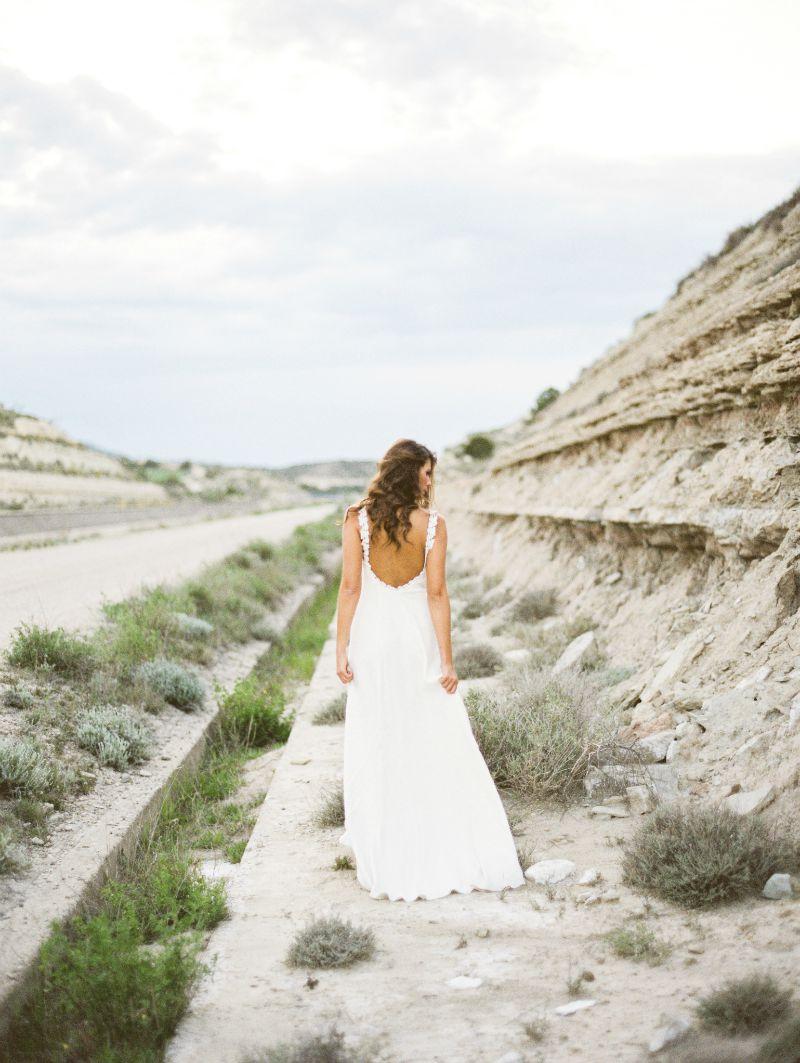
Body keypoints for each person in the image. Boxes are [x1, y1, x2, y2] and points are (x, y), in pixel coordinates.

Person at [334, 438, 526, 902]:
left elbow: (350, 588)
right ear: (408, 474)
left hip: (374, 640)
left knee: (379, 735)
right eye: (425, 473)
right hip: (417, 640)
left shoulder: (356, 519)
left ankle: (385, 842)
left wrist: (341, 648)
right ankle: (437, 834)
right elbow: (437, 594)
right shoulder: (434, 525)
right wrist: (447, 660)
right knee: (430, 733)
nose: (429, 482)